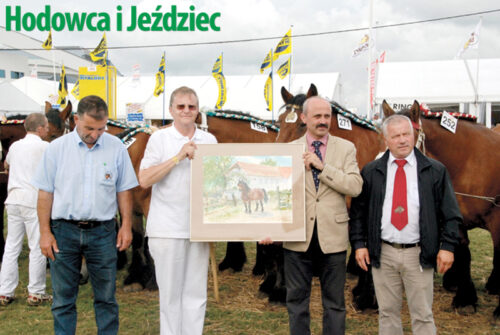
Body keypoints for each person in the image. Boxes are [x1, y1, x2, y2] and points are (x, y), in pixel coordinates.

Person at [32, 95, 138, 334]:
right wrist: (45, 232)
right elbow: (45, 193)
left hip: (103, 232)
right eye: (89, 128)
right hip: (63, 232)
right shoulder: (56, 149)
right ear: (76, 119)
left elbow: (124, 190)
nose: (95, 134)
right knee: (63, 300)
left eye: (101, 128)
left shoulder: (116, 147)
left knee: (106, 298)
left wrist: (126, 226)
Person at [349, 114, 461, 335]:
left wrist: (447, 247)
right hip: (384, 252)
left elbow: (451, 214)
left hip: (418, 253)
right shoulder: (372, 172)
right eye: (396, 135)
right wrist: (359, 244)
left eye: (406, 134)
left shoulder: (434, 171)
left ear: (414, 135)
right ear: (385, 139)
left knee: (422, 314)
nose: (402, 140)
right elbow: (358, 213)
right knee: (388, 312)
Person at [268, 96, 362, 335]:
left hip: (334, 237)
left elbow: (354, 186)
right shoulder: (288, 151)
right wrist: (268, 228)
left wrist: (323, 167)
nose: (322, 121)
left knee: (335, 304)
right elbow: (276, 194)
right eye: (317, 116)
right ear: (303, 118)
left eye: (326, 116)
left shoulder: (346, 148)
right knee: (297, 302)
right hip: (298, 238)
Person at [139, 86, 217, 335]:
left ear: (198, 111)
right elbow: (145, 179)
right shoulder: (159, 139)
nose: (186, 111)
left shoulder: (210, 139)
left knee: (196, 294)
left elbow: (218, 181)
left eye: (191, 107)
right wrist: (178, 157)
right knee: (170, 297)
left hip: (199, 227)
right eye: (181, 106)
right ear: (171, 109)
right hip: (167, 228)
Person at [0, 113, 51, 306]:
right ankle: (36, 292)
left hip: (13, 199)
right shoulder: (46, 147)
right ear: (39, 128)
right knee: (36, 247)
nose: (47, 130)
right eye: (46, 127)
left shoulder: (15, 146)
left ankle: (5, 291)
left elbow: (6, 165)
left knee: (11, 247)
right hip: (33, 200)